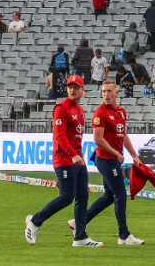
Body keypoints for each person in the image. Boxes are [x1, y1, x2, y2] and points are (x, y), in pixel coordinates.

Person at [24, 75, 100, 248]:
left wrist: (79, 158)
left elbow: (76, 138)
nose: (72, 89)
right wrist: (73, 155)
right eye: (70, 86)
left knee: (83, 196)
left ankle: (80, 237)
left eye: (76, 87)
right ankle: (35, 221)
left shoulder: (80, 111)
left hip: (77, 161)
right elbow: (60, 136)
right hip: (64, 160)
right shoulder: (61, 108)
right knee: (67, 197)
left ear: (83, 90)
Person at [73, 81, 145, 245]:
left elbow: (123, 135)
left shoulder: (121, 112)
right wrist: (116, 153)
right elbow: (98, 139)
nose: (106, 94)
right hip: (105, 160)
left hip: (113, 159)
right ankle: (124, 235)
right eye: (104, 91)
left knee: (109, 196)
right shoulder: (100, 113)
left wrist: (134, 155)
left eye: (109, 91)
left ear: (116, 92)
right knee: (120, 194)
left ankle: (79, 221)